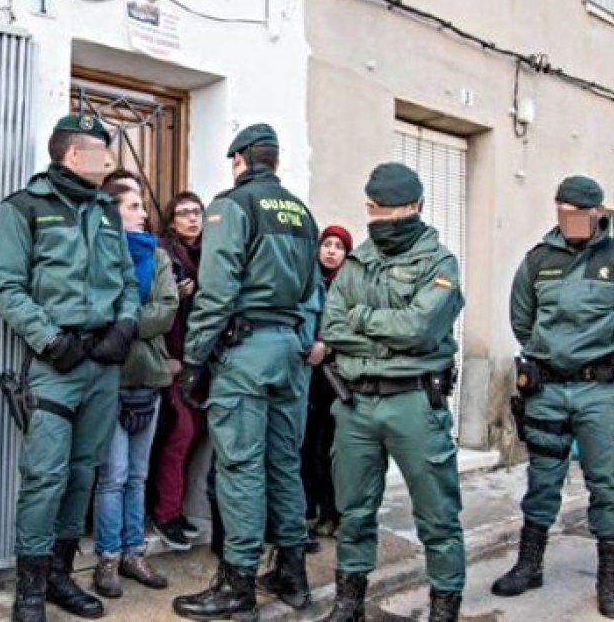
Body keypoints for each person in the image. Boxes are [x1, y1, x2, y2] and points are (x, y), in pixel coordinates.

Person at [0, 113, 140, 621]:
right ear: (74, 155)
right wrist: (50, 341)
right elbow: (5, 285)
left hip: (103, 362)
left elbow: (127, 283)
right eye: (101, 150)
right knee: (45, 475)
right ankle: (28, 591)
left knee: (82, 473)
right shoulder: (26, 207)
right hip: (56, 363)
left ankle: (59, 577)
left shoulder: (105, 210)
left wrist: (124, 327)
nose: (109, 160)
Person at [493, 176, 614, 620]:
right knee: (542, 479)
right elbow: (523, 321)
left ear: (598, 213)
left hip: (599, 393)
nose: (570, 220)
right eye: (563, 211)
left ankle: (612, 580)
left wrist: (612, 365)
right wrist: (554, 358)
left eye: (579, 213)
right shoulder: (538, 261)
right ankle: (530, 566)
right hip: (546, 390)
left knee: (606, 482)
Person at [171, 123, 320, 620]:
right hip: (289, 352)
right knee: (284, 464)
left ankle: (237, 585)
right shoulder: (301, 212)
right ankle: (292, 574)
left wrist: (194, 357)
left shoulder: (231, 206)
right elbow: (312, 291)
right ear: (273, 161)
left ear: (240, 159)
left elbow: (215, 291)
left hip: (246, 351)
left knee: (239, 467)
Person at [320, 163, 465, 622]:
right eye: (376, 209)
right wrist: (387, 335)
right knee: (353, 513)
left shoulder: (439, 263)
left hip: (414, 404)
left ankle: (444, 607)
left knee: (437, 516)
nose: (384, 218)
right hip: (356, 403)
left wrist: (361, 320)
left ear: (417, 207)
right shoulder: (357, 260)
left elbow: (421, 329)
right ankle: (349, 605)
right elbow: (330, 327)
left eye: (395, 209)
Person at [92, 182, 179, 599]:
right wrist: (121, 325)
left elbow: (166, 310)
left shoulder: (158, 255)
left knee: (139, 475)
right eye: (133, 206)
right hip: (108, 380)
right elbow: (94, 310)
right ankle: (107, 558)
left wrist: (123, 328)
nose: (143, 213)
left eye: (142, 205)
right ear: (111, 211)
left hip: (149, 377)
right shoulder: (98, 250)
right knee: (113, 476)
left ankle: (133, 552)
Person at [151, 191, 209, 551]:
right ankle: (165, 513)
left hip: (201, 359)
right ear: (171, 220)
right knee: (179, 435)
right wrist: (177, 294)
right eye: (184, 213)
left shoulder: (210, 254)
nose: (192, 218)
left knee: (194, 435)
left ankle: (177, 510)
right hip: (171, 358)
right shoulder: (165, 254)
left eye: (197, 212)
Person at [301, 225, 353, 541]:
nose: (331, 250)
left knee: (332, 450)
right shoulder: (308, 280)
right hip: (308, 376)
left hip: (337, 379)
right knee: (309, 448)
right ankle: (310, 511)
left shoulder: (349, 286)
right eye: (327, 244)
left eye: (339, 246)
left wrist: (328, 346)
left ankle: (333, 513)